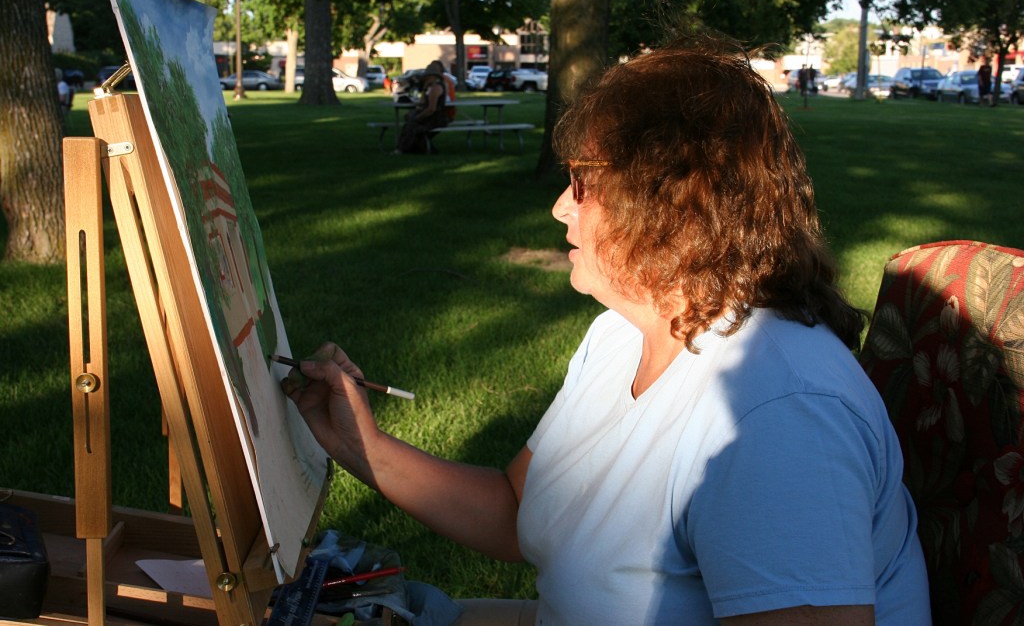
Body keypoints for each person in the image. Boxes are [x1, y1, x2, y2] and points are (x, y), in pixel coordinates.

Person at [284, 32, 931, 625]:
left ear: (672, 201)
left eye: (583, 182)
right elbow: (519, 512)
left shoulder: (778, 416)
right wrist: (358, 445)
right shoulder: (620, 337)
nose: (560, 205)